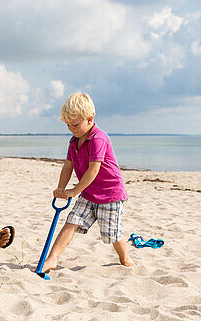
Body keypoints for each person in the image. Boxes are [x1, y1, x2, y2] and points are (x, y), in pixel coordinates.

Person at [40, 92, 132, 274]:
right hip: (89, 193)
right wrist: (62, 188)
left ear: (90, 119)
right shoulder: (74, 141)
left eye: (75, 124)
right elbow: (68, 166)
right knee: (72, 221)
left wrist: (74, 191)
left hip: (110, 194)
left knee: (111, 233)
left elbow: (93, 170)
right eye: (67, 125)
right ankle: (52, 259)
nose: (71, 128)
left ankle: (124, 257)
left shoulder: (98, 139)